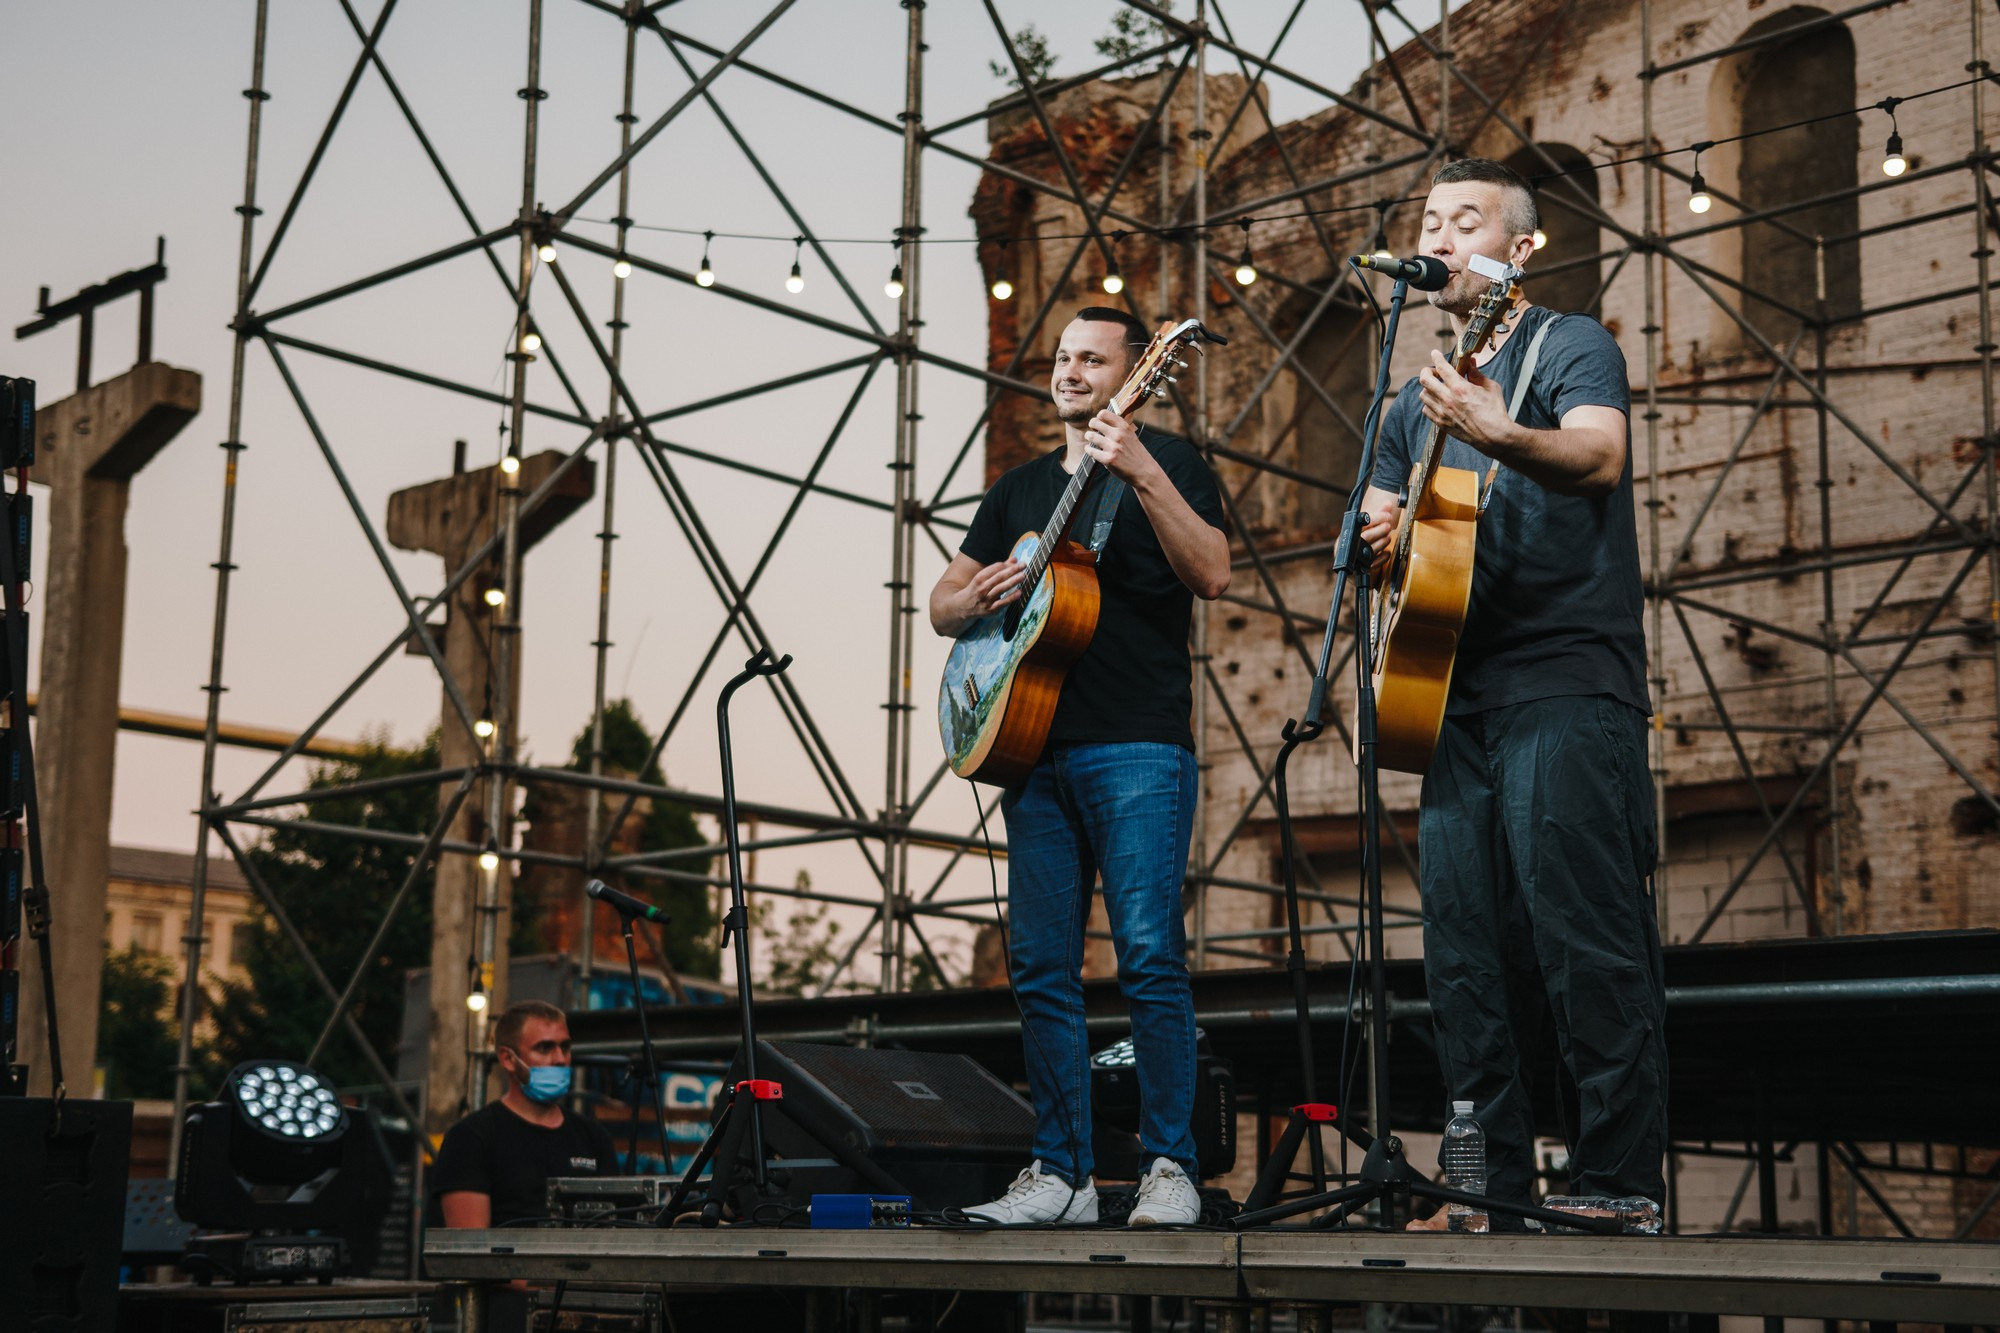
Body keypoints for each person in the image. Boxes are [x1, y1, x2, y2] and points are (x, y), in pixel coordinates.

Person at [1358, 158, 1668, 1225]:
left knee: (1582, 937)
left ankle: (1616, 1183)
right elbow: (1379, 531)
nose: (1438, 233)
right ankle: (1483, 1183)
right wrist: (1376, 539)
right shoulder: (1410, 399)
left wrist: (1498, 433)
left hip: (1564, 678)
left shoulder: (1568, 344)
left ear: (1517, 247)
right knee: (1462, 953)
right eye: (1428, 219)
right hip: (1443, 691)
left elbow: (1595, 456)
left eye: (1464, 218)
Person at [929, 306, 1231, 1227]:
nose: (1069, 369)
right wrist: (973, 594)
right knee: (1040, 966)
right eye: (1063, 356)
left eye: (1092, 358)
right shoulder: (1020, 489)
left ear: (1136, 373)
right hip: (1032, 749)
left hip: (1136, 742)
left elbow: (1212, 571)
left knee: (1146, 954)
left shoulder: (1172, 463)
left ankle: (1169, 1166)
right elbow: (943, 603)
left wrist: (1140, 470)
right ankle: (1058, 1173)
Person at [433, 999, 621, 1228]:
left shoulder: (594, 1137)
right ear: (508, 1059)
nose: (560, 1059)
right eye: (545, 1048)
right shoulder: (471, 1137)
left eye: (565, 1047)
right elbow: (469, 1250)